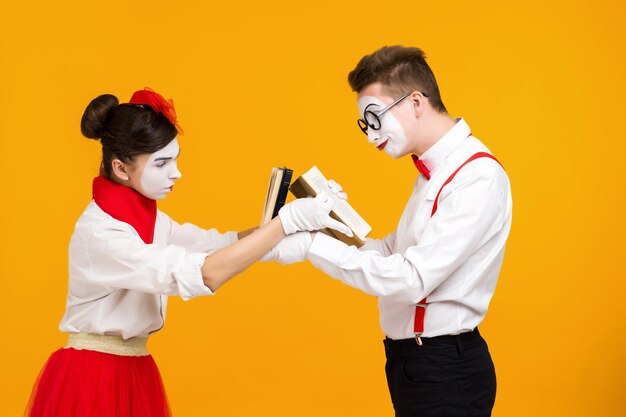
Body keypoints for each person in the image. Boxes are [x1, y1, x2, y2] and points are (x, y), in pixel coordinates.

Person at [24, 87, 351, 417]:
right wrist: (284, 225)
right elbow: (203, 272)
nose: (176, 173)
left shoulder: (150, 220)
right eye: (162, 163)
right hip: (94, 375)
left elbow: (215, 246)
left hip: (135, 367)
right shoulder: (104, 231)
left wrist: (286, 228)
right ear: (121, 169)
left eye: (176, 159)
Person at [263, 46, 513, 417]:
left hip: (444, 368)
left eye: (374, 118)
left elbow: (412, 279)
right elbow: (391, 253)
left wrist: (313, 245)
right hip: (410, 362)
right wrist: (327, 223)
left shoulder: (476, 176)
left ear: (415, 102)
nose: (370, 136)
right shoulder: (431, 173)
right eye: (365, 124)